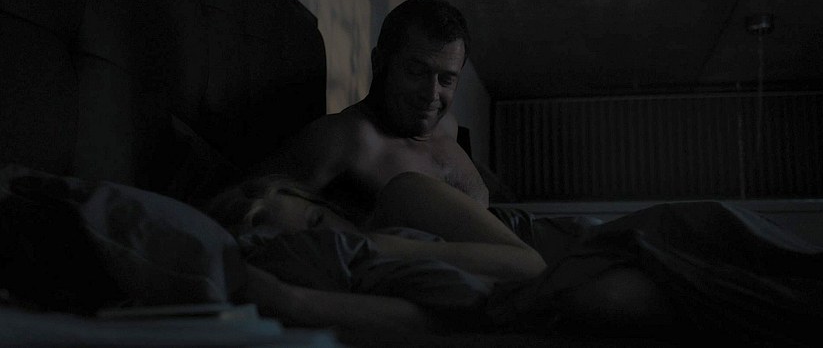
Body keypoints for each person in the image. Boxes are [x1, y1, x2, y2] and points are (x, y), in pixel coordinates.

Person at [206, 171, 678, 336]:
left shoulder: (403, 199)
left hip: (626, 246)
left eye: (317, 222)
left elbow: (527, 267)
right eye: (309, 242)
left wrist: (380, 245)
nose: (329, 239)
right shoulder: (360, 280)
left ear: (325, 204)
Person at [249, 0, 489, 225]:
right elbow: (245, 204)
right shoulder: (344, 138)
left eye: (446, 79)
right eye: (416, 71)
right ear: (378, 62)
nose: (432, 94)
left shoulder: (447, 125)